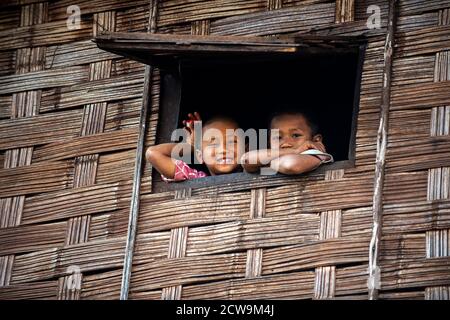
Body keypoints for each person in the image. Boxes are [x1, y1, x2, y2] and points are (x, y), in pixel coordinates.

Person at [146, 112, 244, 182]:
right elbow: (154, 153)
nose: (223, 149)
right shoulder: (196, 179)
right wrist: (192, 145)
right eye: (213, 144)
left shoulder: (253, 169)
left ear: (245, 149)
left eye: (232, 141)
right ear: (200, 156)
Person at [241, 110, 333, 175]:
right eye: (278, 137)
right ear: (269, 143)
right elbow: (246, 160)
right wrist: (295, 151)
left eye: (296, 135)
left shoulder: (316, 153)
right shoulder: (278, 155)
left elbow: (290, 165)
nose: (285, 143)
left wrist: (264, 162)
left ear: (316, 140)